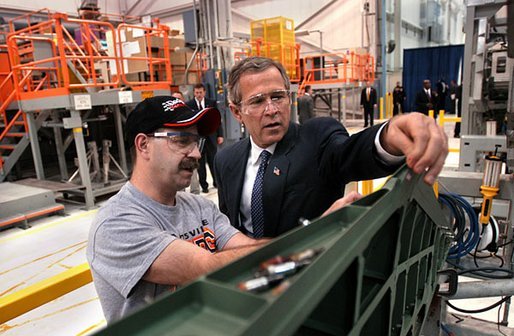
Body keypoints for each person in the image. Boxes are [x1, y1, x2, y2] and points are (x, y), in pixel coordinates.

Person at [214, 56, 448, 238]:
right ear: (236, 112)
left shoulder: (318, 139)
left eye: (278, 97)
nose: (272, 109)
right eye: (257, 101)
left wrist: (387, 135)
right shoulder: (226, 159)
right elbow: (228, 227)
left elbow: (352, 152)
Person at [86, 96, 266, 323]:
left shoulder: (201, 207)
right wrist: (302, 247)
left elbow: (247, 248)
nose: (197, 154)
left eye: (196, 142)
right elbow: (207, 266)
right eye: (182, 140)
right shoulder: (115, 224)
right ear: (143, 145)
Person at [186, 83, 224, 193]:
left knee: (213, 160)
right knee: (200, 163)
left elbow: (217, 119)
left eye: (200, 92)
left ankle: (216, 183)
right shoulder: (189, 105)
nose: (198, 95)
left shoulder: (211, 103)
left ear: (204, 92)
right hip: (197, 138)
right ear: (194, 92)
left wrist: (220, 134)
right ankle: (204, 185)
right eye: (196, 93)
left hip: (211, 136)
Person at [172, 91, 200, 194]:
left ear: (183, 100)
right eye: (174, 99)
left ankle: (196, 193)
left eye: (179, 99)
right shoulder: (169, 118)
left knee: (193, 173)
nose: (177, 101)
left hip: (191, 148)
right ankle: (180, 194)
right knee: (179, 176)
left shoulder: (190, 113)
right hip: (177, 153)